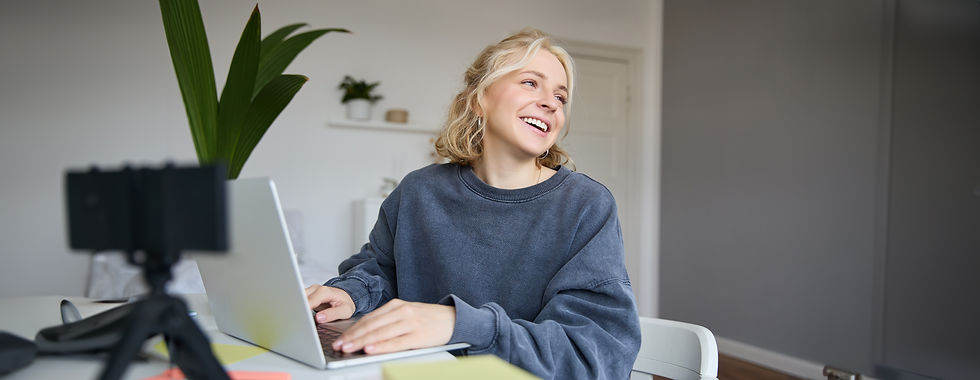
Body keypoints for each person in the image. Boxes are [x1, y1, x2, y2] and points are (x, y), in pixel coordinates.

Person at [305, 28, 640, 379]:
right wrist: (351, 294)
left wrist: (459, 325)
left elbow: (593, 354)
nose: (551, 102)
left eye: (561, 96)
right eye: (530, 82)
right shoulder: (419, 191)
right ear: (480, 99)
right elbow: (382, 270)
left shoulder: (586, 206)